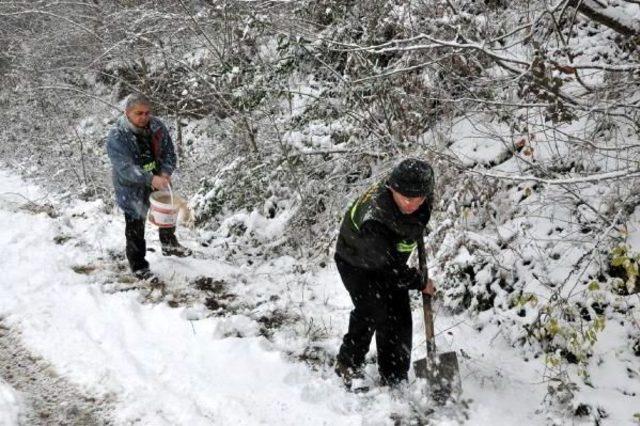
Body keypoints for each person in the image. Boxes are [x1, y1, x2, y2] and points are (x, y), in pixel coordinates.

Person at [334, 158, 437, 388]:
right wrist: (421, 281)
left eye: (418, 199)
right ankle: (348, 363)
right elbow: (389, 269)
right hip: (355, 259)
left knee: (399, 314)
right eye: (406, 198)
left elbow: (414, 219)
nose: (412, 204)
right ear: (392, 188)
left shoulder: (422, 197)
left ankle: (394, 375)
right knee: (372, 308)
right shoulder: (376, 219)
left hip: (388, 260)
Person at [106, 93, 192, 282]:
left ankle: (169, 243)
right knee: (136, 224)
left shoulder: (157, 126)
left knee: (168, 211)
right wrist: (150, 179)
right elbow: (125, 168)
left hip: (158, 178)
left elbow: (169, 152)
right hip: (131, 186)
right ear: (127, 113)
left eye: (147, 113)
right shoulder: (117, 136)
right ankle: (138, 266)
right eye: (139, 113)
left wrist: (165, 173)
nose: (144, 117)